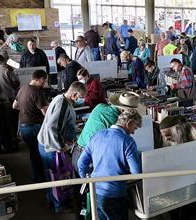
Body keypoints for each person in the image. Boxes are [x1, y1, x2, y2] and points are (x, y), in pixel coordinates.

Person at [78, 110, 142, 220]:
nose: (133, 132)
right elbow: (136, 172)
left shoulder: (97, 135)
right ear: (129, 123)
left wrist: (87, 179)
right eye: (135, 128)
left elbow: (81, 162)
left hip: (96, 192)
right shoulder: (127, 141)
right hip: (116, 194)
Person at [37, 82, 87, 213]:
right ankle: (59, 205)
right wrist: (61, 146)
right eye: (81, 97)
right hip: (50, 147)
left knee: (51, 175)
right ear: (74, 94)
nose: (81, 100)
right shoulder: (63, 104)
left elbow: (60, 123)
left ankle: (53, 201)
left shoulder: (61, 99)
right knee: (55, 177)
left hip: (46, 143)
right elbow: (52, 127)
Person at [12, 70, 49, 183]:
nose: (45, 83)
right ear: (41, 79)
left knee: (33, 154)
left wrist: (26, 111)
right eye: (45, 81)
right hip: (35, 127)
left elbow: (14, 106)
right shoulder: (37, 92)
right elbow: (46, 113)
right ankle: (42, 180)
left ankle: (37, 179)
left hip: (24, 128)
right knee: (40, 154)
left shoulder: (22, 89)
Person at [0, 52, 20, 153]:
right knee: (11, 123)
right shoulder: (8, 69)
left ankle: (3, 145)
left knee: (0, 125)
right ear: (2, 60)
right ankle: (13, 144)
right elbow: (16, 84)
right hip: (8, 101)